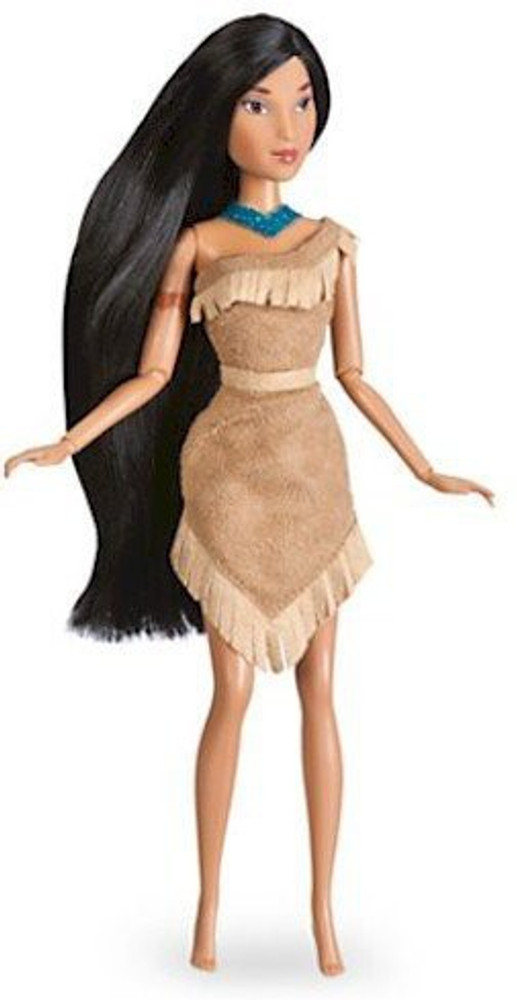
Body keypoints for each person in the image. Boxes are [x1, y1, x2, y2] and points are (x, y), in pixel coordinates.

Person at [3, 13, 495, 976]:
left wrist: (425, 468)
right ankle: (207, 911)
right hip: (227, 468)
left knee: (322, 691)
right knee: (229, 694)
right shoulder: (197, 244)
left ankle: (322, 914)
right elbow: (153, 375)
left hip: (313, 470)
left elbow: (355, 375)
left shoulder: (334, 245)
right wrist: (70, 441)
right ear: (216, 116)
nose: (287, 126)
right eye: (260, 104)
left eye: (302, 102)